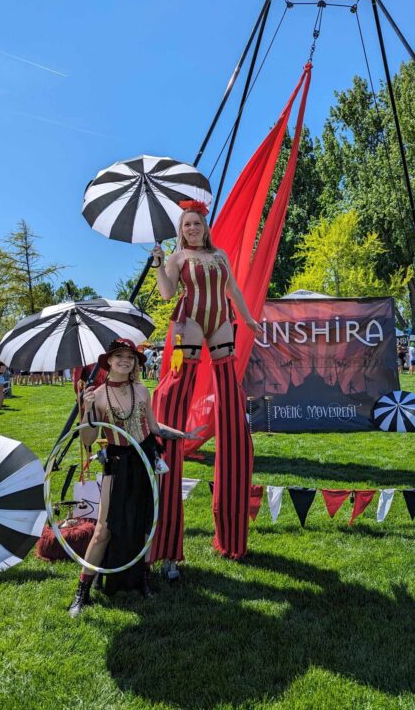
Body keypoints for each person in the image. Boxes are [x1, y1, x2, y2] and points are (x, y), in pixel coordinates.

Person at [150, 199, 262, 566]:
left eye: (196, 224)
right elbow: (168, 294)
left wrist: (247, 320)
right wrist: (157, 264)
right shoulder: (178, 258)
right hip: (190, 321)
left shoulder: (220, 256)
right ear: (181, 230)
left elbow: (233, 291)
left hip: (221, 321)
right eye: (186, 225)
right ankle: (163, 429)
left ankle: (231, 526)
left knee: (229, 386)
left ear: (204, 225)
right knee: (180, 385)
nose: (192, 229)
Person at [67, 338, 202, 618]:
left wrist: (183, 434)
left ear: (135, 363)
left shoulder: (141, 390)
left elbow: (152, 427)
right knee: (103, 529)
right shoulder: (98, 395)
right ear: (109, 362)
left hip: (144, 460)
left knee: (144, 525)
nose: (125, 361)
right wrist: (88, 409)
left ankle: (143, 579)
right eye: (120, 356)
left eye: (130, 357)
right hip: (116, 462)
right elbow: (88, 439)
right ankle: (82, 592)